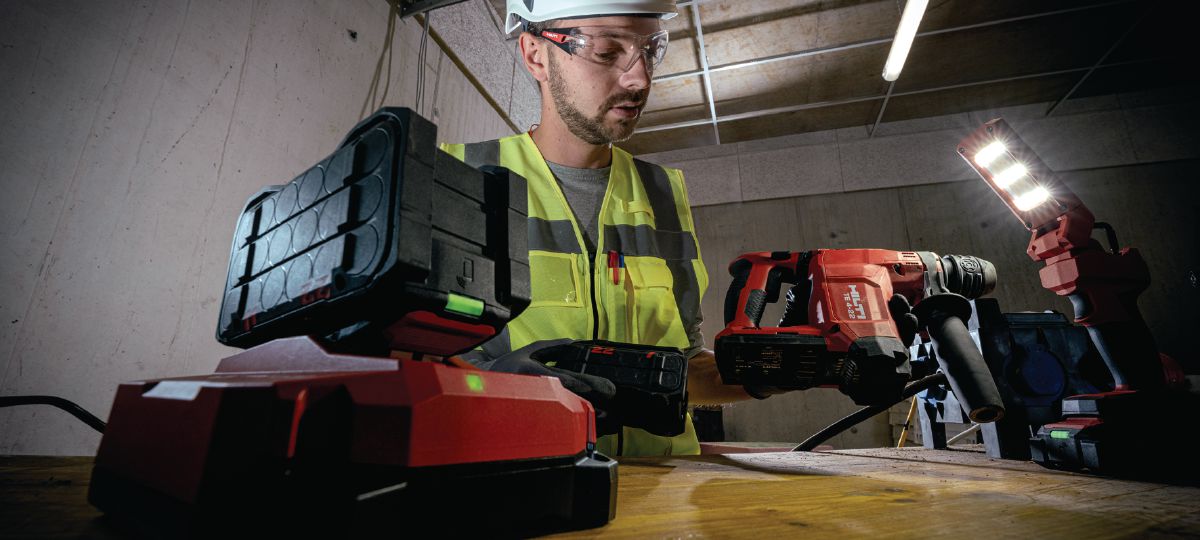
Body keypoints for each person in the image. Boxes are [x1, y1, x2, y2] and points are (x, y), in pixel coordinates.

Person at [442, 0, 762, 457]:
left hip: (664, 507)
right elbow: (405, 364)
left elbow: (683, 369)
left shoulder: (663, 195)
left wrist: (787, 369)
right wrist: (486, 381)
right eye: (608, 52)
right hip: (524, 496)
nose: (641, 79)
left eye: (650, 51)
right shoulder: (460, 175)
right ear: (536, 55)